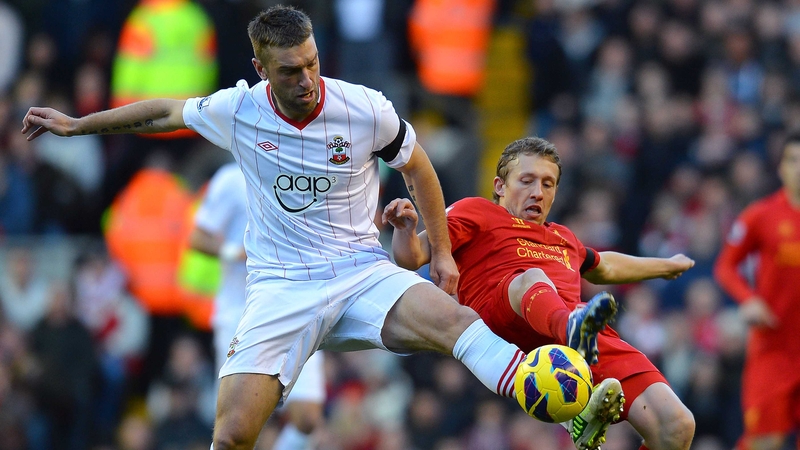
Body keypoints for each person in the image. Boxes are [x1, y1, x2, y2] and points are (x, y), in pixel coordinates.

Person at [19, 6, 598, 449]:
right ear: (261, 69)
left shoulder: (363, 107)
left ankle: (544, 391)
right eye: (291, 71)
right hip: (281, 288)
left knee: (456, 321)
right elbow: (162, 112)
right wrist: (77, 125)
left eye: (313, 63)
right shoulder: (239, 110)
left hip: (360, 271)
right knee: (235, 433)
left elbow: (417, 164)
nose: (307, 80)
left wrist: (442, 253)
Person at [385, 136, 697, 450]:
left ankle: (578, 350)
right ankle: (572, 329)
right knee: (532, 278)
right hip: (508, 321)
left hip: (581, 337)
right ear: (500, 186)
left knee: (677, 426)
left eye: (548, 184)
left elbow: (606, 268)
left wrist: (665, 266)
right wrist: (404, 229)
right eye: (527, 180)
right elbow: (413, 256)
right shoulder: (477, 212)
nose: (538, 192)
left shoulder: (563, 237)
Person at [189, 162, 325, 449]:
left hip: (295, 309)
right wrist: (235, 252)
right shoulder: (231, 178)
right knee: (233, 422)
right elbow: (198, 237)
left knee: (308, 418)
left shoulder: (303, 173)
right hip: (240, 312)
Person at [713, 133, 800, 450]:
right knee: (765, 441)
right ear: (781, 168)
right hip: (773, 348)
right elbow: (725, 266)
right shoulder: (761, 215)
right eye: (793, 159)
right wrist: (749, 300)